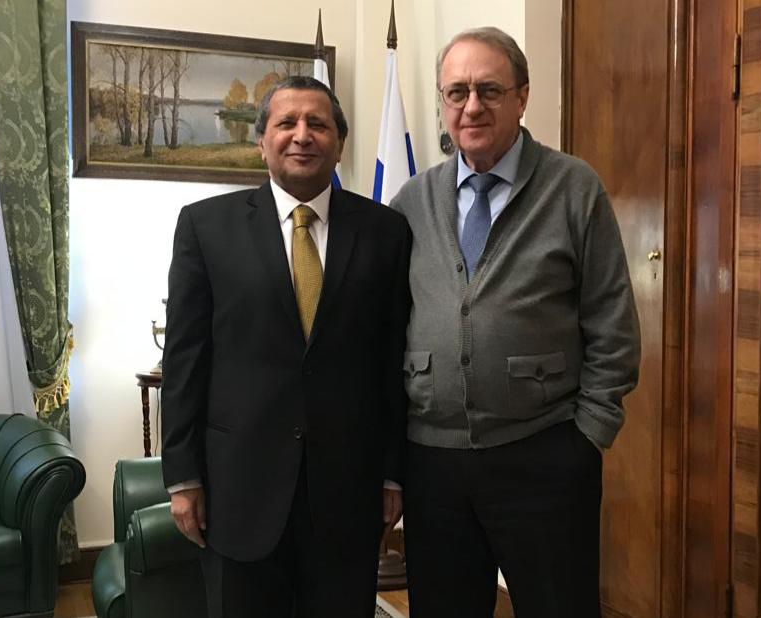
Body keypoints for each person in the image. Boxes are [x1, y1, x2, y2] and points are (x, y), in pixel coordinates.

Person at [390, 27, 641, 618]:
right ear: (442, 102)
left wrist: (588, 436)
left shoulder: (573, 188)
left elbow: (612, 321)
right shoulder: (411, 201)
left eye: (489, 90)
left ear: (522, 97)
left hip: (545, 453)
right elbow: (390, 324)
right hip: (433, 463)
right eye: (456, 92)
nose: (472, 106)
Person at [160, 75, 411, 618]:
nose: (302, 135)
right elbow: (184, 361)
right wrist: (182, 477)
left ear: (339, 143)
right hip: (237, 490)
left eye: (318, 124)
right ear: (262, 140)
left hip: (348, 491)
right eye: (286, 123)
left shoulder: (386, 232)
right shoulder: (206, 227)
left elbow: (393, 362)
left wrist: (393, 472)